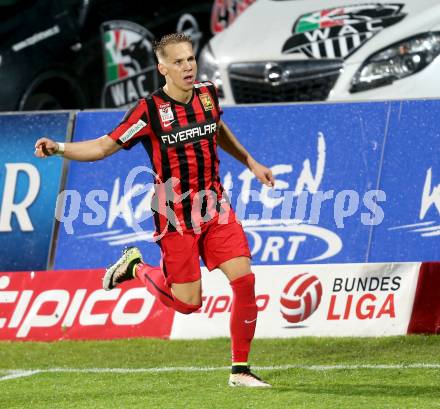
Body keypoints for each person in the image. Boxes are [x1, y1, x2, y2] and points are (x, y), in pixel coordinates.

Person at [35, 33, 274, 387]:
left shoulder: (207, 95)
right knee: (189, 303)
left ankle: (240, 370)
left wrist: (250, 161)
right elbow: (103, 146)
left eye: (190, 59)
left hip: (215, 207)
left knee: (245, 280)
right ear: (162, 68)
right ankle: (136, 268)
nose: (188, 66)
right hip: (176, 215)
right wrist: (59, 148)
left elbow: (216, 127)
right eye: (178, 62)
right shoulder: (149, 110)